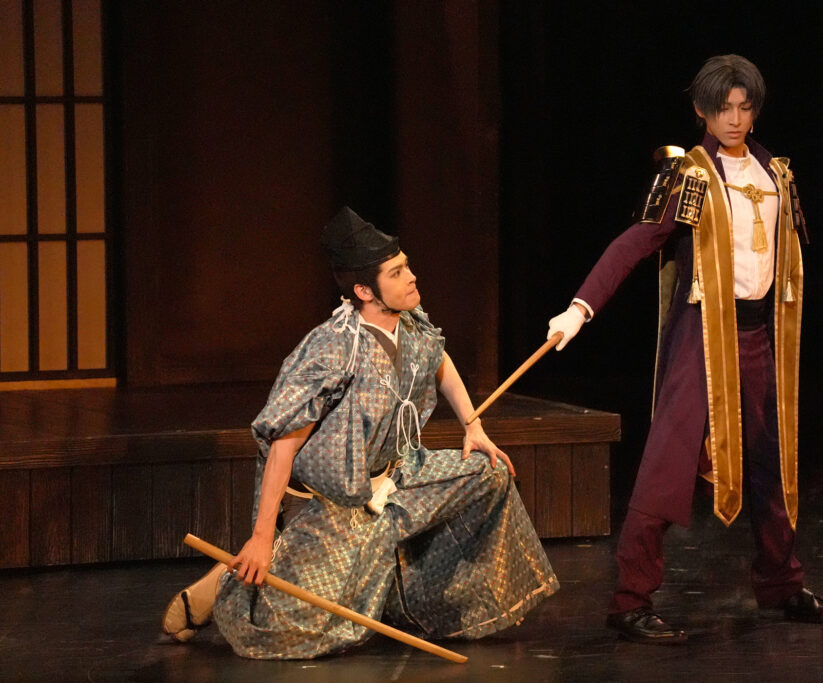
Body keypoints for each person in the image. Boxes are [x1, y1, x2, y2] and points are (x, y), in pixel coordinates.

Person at [547, 55, 823, 644]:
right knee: (669, 461)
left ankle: (782, 583)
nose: (734, 119)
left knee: (770, 460)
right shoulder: (689, 175)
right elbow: (634, 243)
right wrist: (580, 308)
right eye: (722, 108)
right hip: (703, 337)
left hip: (759, 335)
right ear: (701, 111)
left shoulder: (775, 172)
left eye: (744, 107)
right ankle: (630, 600)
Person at [162, 207, 558, 659]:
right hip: (338, 503)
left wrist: (474, 425)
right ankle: (229, 582)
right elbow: (283, 444)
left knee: (489, 472)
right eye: (397, 272)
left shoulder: (412, 322)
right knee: (295, 629)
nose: (412, 277)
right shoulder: (334, 348)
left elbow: (438, 359)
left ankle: (431, 601)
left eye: (407, 266)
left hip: (400, 478)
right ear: (364, 291)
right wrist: (261, 536)